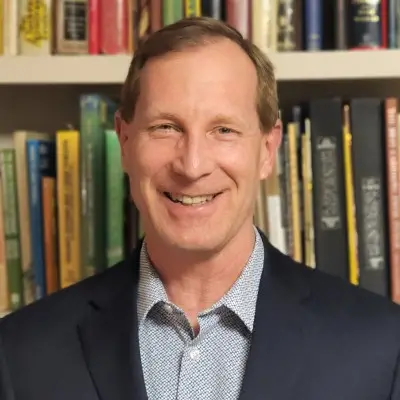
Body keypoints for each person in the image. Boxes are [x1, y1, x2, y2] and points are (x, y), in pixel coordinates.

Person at [1, 16, 400, 400]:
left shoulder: (381, 348)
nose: (192, 166)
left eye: (223, 130)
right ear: (124, 141)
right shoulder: (21, 354)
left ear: (267, 149)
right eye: (165, 127)